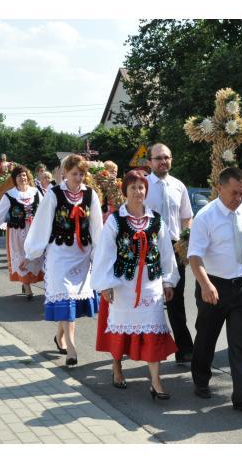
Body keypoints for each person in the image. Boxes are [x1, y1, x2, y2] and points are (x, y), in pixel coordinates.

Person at [91, 170, 180, 399]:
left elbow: (166, 252)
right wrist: (105, 284)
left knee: (153, 329)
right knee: (121, 329)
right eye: (133, 187)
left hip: (151, 284)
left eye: (141, 187)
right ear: (125, 191)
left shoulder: (156, 219)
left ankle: (156, 382)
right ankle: (117, 367)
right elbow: (104, 253)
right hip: (123, 285)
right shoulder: (116, 220)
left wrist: (168, 280)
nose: (138, 192)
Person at [188, 166, 242, 413]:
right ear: (219, 188)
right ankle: (201, 379)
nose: (239, 198)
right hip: (214, 286)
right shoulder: (206, 217)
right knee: (207, 337)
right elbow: (194, 256)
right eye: (234, 193)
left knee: (241, 344)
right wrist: (206, 285)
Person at [23, 154, 103, 367]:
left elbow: (96, 227)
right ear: (65, 173)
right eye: (74, 173)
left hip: (81, 255)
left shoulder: (90, 194)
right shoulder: (54, 194)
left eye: (81, 174)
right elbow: (42, 223)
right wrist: (31, 253)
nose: (78, 178)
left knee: (70, 302)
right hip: (59, 254)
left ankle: (60, 337)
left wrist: (99, 256)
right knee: (65, 296)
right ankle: (71, 348)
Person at [144, 143, 195, 365]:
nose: (163, 161)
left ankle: (184, 349)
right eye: (158, 158)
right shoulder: (142, 185)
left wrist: (185, 240)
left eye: (167, 157)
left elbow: (187, 217)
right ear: (149, 162)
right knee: (148, 299)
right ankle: (142, 347)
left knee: (176, 300)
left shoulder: (178, 186)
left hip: (175, 248)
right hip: (148, 247)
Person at [0, 165, 44, 300]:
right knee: (21, 257)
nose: (22, 178)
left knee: (36, 256)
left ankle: (29, 282)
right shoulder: (9, 195)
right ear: (14, 179)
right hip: (17, 232)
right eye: (19, 176)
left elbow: (44, 210)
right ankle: (26, 285)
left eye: (24, 175)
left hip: (34, 231)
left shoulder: (36, 192)